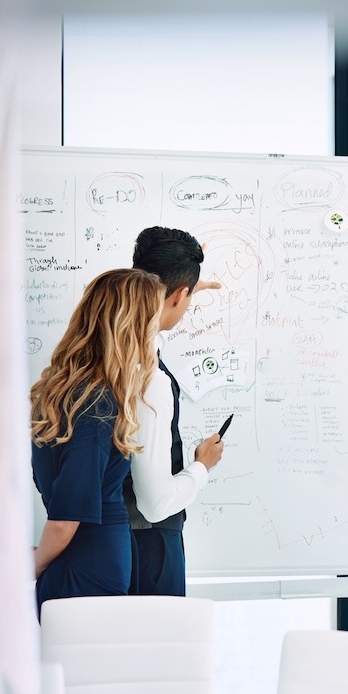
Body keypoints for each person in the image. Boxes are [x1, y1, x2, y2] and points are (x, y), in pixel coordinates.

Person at [31, 268, 165, 616]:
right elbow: (65, 519)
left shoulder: (76, 396)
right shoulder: (94, 403)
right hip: (87, 568)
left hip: (86, 561)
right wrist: (33, 567)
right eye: (152, 323)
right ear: (131, 328)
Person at [125, 226, 224, 596]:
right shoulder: (150, 376)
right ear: (179, 295)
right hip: (149, 548)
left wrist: (184, 291)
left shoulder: (116, 347)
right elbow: (155, 504)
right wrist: (202, 466)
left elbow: (155, 321)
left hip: (117, 541)